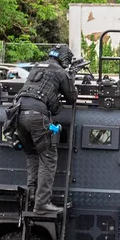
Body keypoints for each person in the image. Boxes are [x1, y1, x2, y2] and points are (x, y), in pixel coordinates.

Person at [15, 44, 77, 215]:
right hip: (36, 117)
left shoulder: (37, 67)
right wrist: (71, 78)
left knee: (32, 154)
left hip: (18, 115)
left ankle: (31, 194)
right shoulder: (60, 71)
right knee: (48, 158)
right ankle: (42, 204)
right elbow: (72, 97)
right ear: (64, 59)